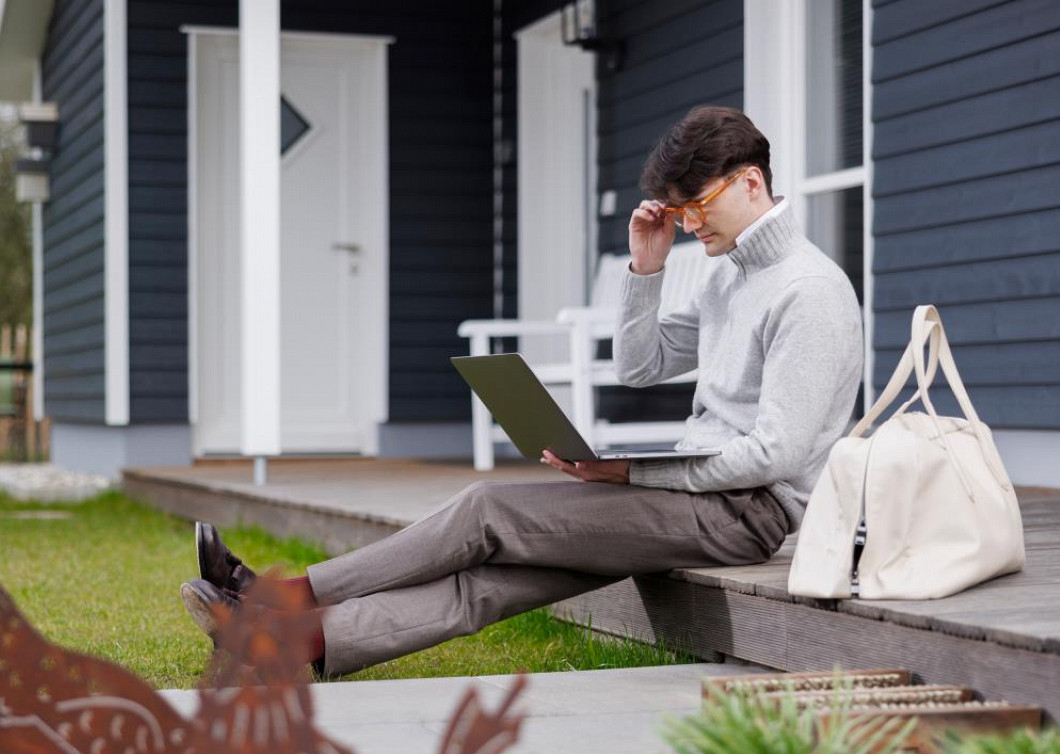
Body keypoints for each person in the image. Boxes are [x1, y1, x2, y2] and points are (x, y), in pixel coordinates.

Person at [180, 105, 863, 677]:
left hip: (742, 512)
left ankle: (273, 595)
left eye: (696, 207)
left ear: (751, 182)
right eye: (679, 210)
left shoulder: (811, 293)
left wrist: (630, 470)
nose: (687, 223)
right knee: (492, 582)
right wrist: (646, 271)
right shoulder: (728, 274)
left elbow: (774, 454)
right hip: (687, 495)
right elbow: (641, 365)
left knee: (487, 510)